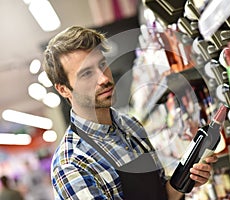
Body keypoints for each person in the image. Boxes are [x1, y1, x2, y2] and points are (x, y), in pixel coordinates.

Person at [43, 26, 218, 200]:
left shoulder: (130, 125)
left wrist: (186, 178)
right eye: (87, 74)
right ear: (64, 90)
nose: (104, 79)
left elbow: (161, 196)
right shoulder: (71, 166)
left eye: (102, 65)